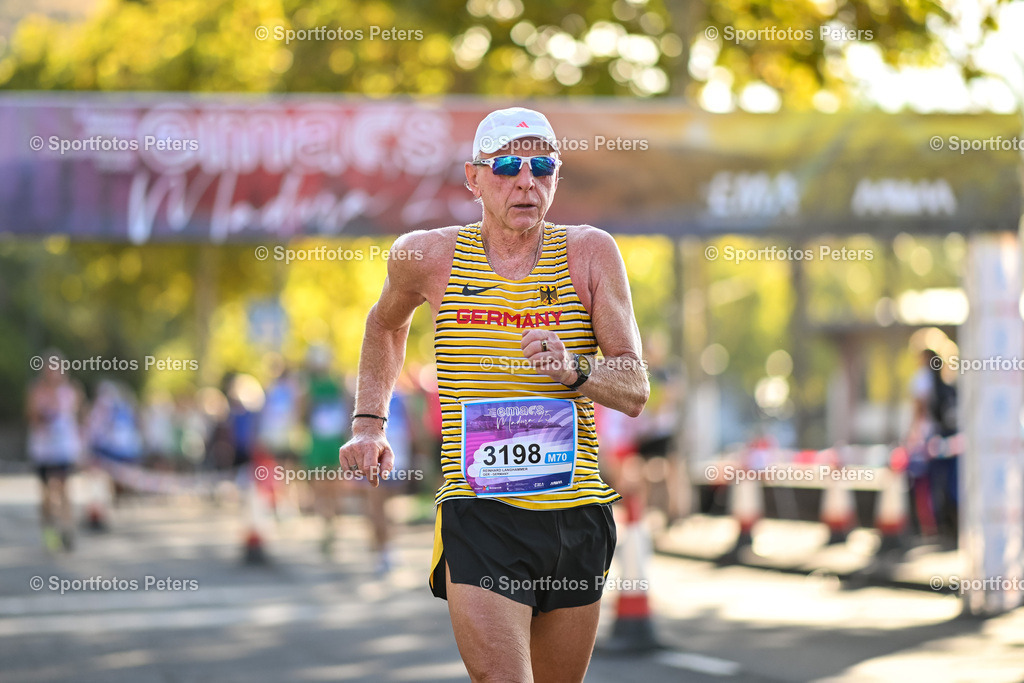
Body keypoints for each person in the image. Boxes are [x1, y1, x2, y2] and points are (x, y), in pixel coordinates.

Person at [338, 107, 649, 682]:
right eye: (507, 166)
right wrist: (368, 424)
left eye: (542, 166)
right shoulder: (426, 255)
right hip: (480, 511)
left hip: (576, 513)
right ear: (472, 177)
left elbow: (633, 388)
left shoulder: (589, 252)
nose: (526, 181)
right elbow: (384, 323)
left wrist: (575, 369)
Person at [26, 350, 86, 552]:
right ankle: (49, 531)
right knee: (46, 493)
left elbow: (78, 420)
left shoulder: (72, 390)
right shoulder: (36, 391)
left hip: (64, 449)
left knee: (63, 488)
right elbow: (33, 419)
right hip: (43, 449)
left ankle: (67, 529)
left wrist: (81, 446)